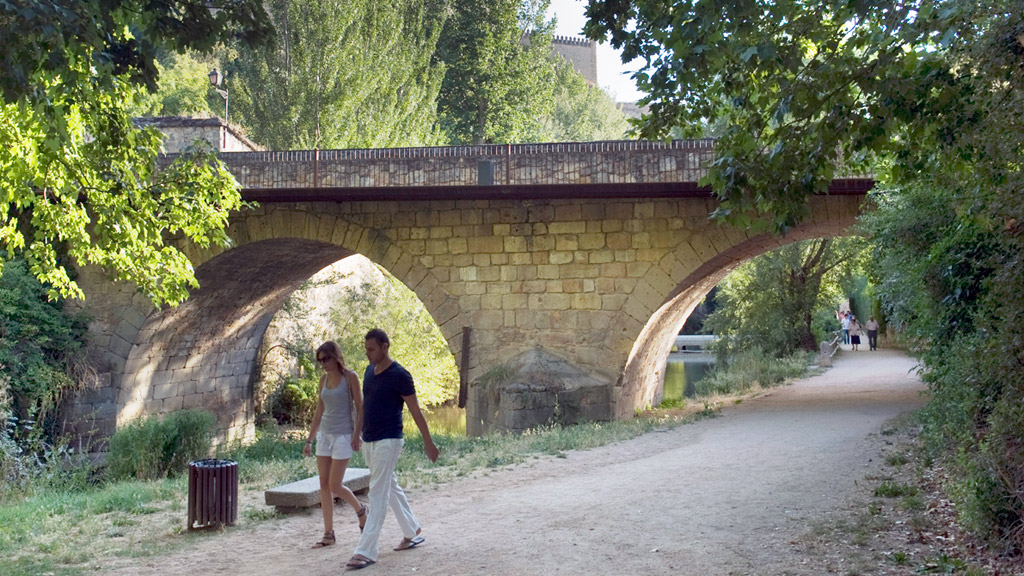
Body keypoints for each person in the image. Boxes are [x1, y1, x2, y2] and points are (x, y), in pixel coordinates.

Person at [346, 329, 439, 571]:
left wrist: (428, 442)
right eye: (366, 349)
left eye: (371, 349)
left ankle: (366, 550)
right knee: (389, 485)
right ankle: (412, 529)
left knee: (377, 492)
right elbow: (364, 406)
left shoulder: (400, 375)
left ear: (385, 347)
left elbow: (416, 411)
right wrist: (357, 433)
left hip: (389, 440)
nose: (367, 354)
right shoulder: (369, 371)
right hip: (369, 439)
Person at [303, 341, 368, 549]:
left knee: (335, 485)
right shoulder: (323, 379)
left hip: (343, 435)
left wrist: (357, 435)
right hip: (325, 435)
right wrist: (310, 439)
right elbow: (319, 411)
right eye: (320, 360)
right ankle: (328, 533)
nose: (323, 364)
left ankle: (361, 510)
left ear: (336, 357)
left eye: (326, 359)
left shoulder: (350, 377)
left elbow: (360, 407)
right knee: (324, 485)